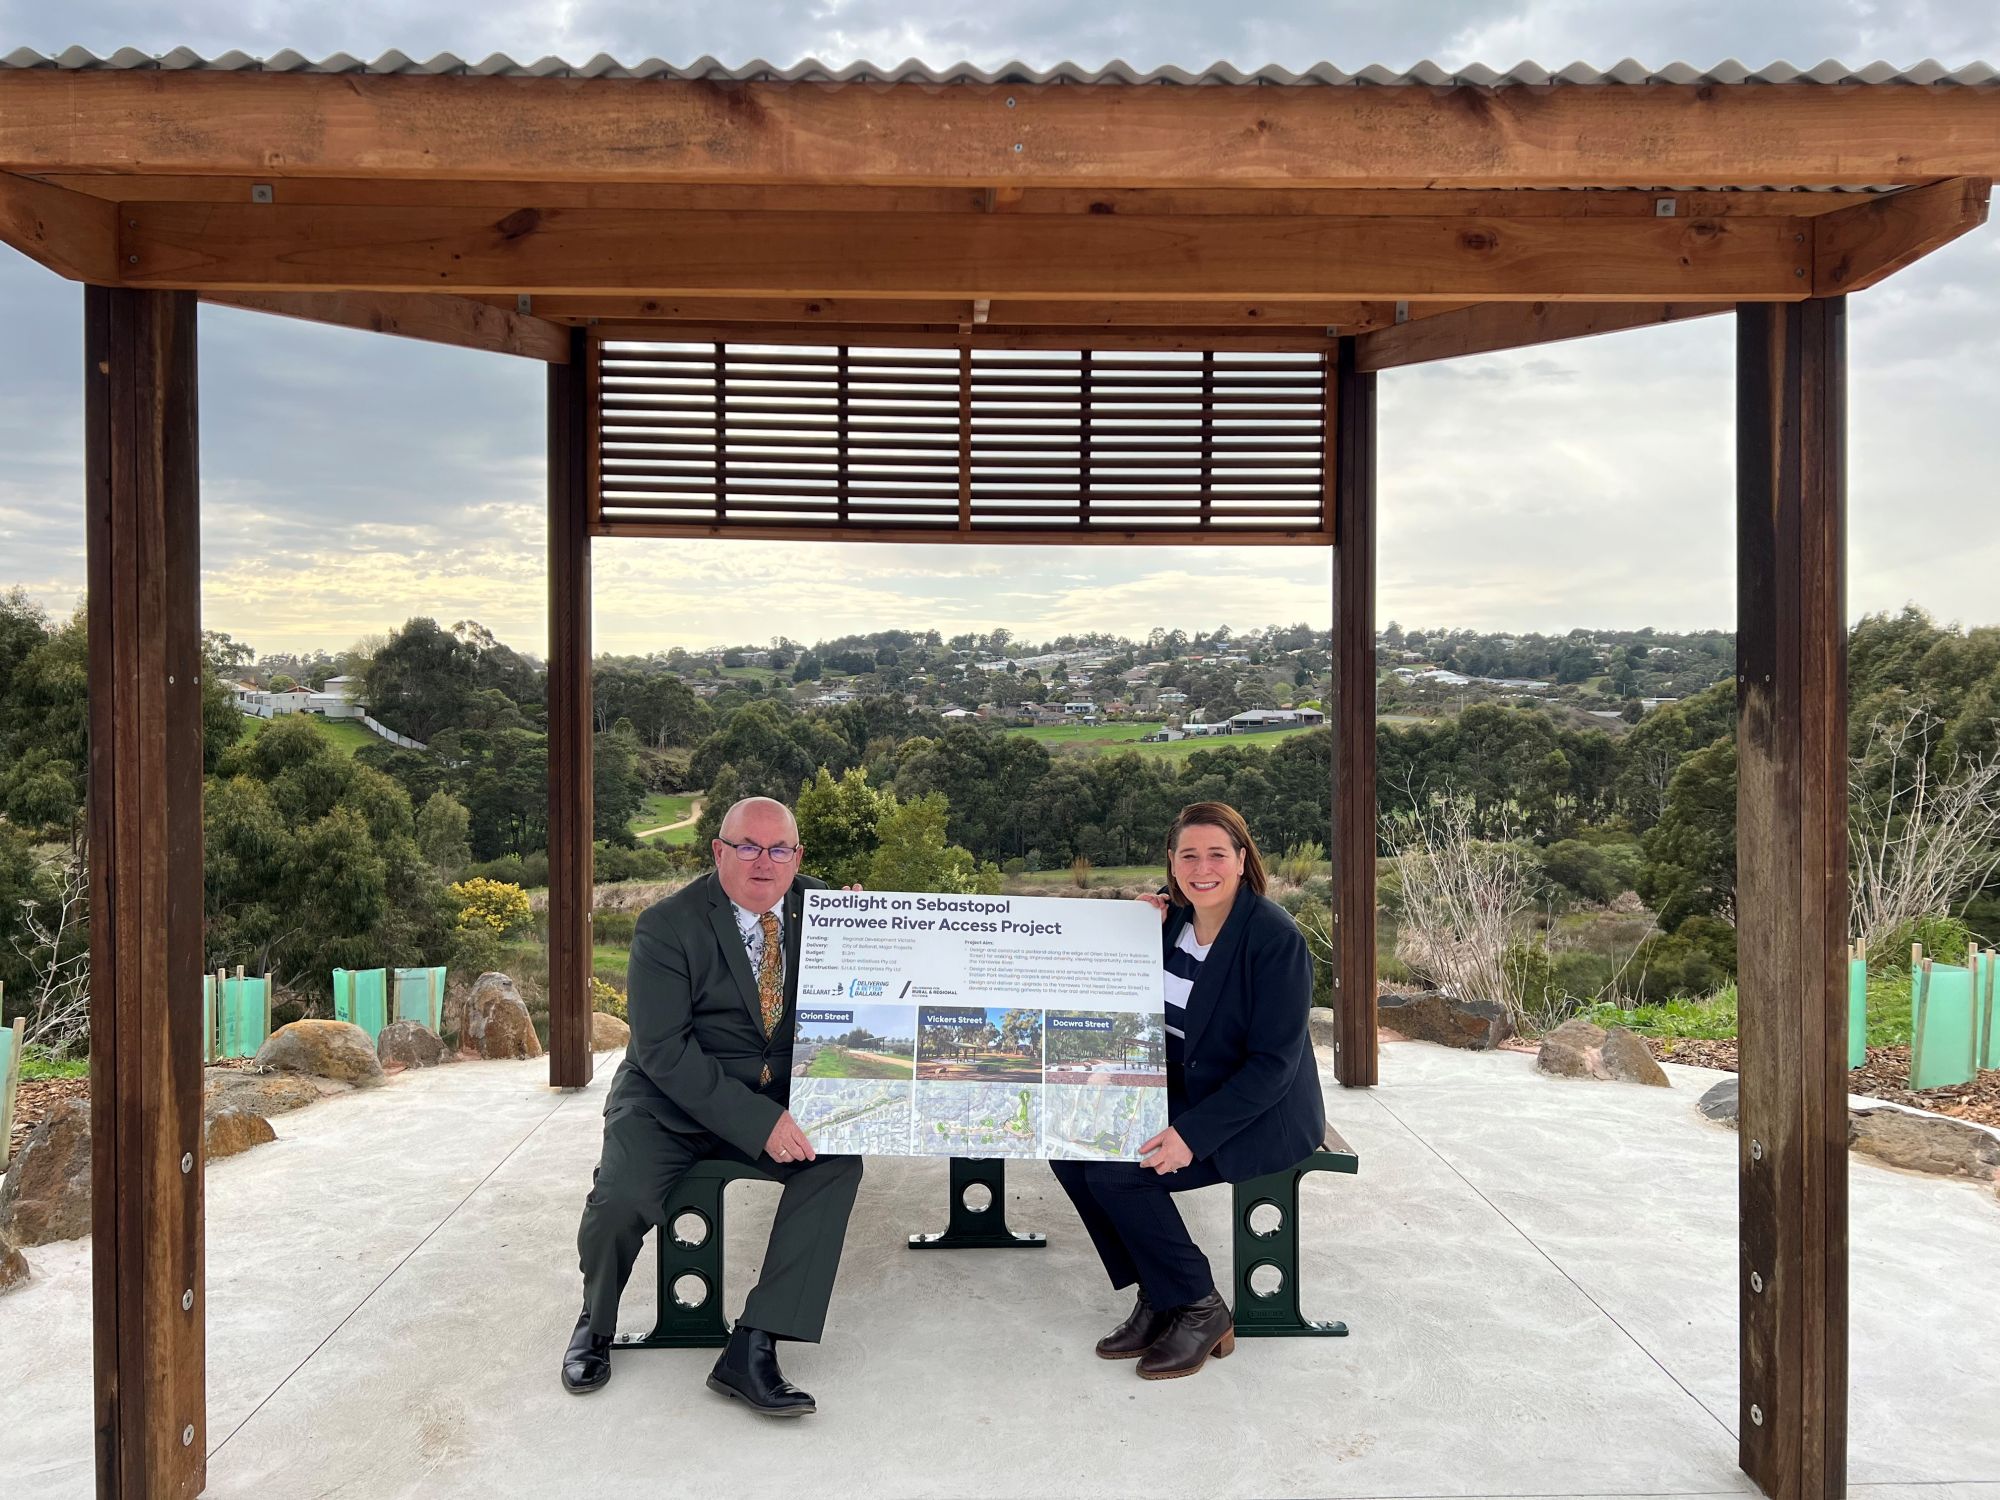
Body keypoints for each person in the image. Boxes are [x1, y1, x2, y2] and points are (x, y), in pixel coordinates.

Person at [562, 795, 863, 1417]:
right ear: (718, 852)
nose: (764, 861)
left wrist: (872, 930)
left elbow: (881, 986)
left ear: (797, 856)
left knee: (835, 1161)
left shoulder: (832, 912)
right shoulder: (666, 925)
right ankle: (596, 1322)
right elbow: (664, 1051)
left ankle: (753, 1345)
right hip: (666, 1102)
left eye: (780, 848)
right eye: (747, 847)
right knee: (620, 1198)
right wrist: (761, 1123)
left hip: (773, 1092)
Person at [1049, 801, 1324, 1380]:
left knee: (1118, 1172)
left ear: (1242, 859)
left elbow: (1273, 1066)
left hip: (1255, 1111)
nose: (1203, 868)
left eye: (1217, 854)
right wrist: (1128, 928)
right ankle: (1160, 1291)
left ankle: (1199, 1306)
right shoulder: (1170, 919)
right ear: (1172, 865)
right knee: (1067, 1146)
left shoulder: (1273, 939)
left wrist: (1191, 1136)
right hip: (1183, 1089)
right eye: (1188, 855)